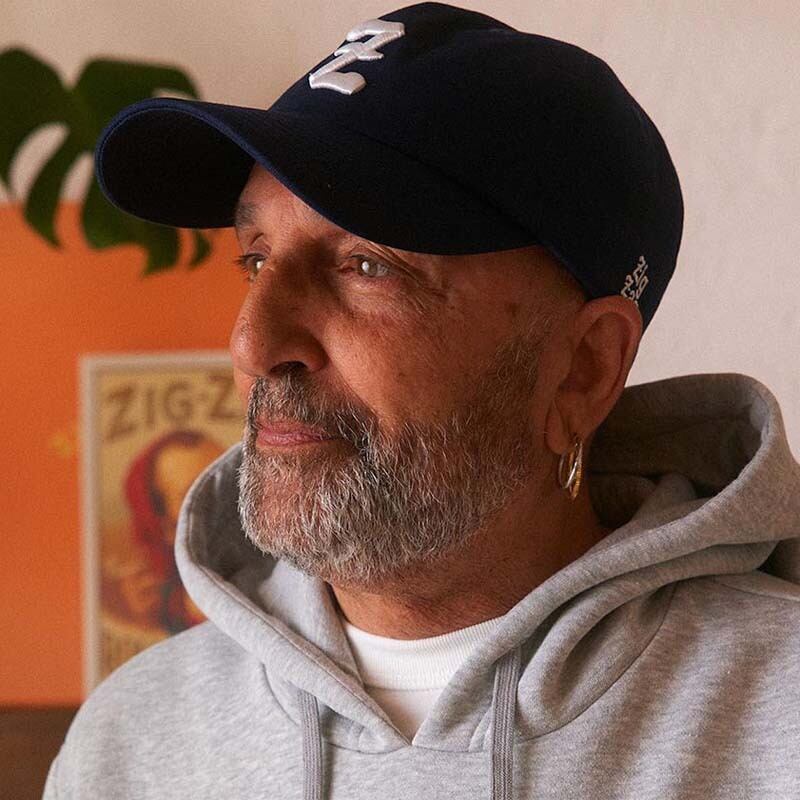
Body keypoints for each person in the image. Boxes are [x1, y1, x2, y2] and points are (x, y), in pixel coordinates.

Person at [46, 3, 800, 798]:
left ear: (582, 368)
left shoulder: (775, 726)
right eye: (256, 259)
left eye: (367, 265)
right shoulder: (132, 743)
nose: (253, 346)